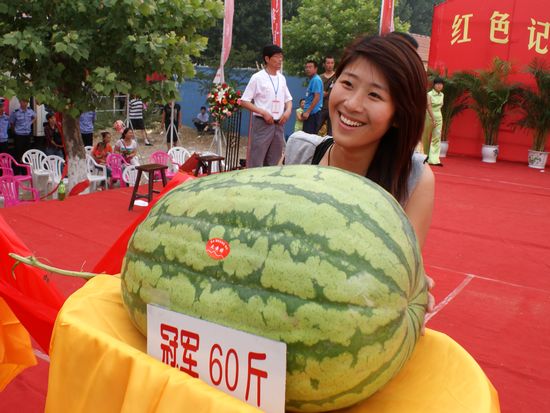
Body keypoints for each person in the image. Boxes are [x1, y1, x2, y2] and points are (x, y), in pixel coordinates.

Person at [286, 33, 434, 251]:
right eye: (347, 83)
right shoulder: (299, 152)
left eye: (374, 95)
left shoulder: (413, 178)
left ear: (398, 116)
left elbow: (405, 266)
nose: (352, 104)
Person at [240, 44, 293, 167]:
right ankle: (254, 178)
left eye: (281, 57)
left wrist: (288, 111)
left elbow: (288, 99)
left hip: (279, 124)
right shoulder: (257, 78)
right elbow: (244, 101)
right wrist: (263, 112)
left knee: (274, 160)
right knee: (257, 159)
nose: (280, 60)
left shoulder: (282, 78)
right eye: (276, 57)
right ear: (267, 59)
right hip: (262, 123)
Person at [422, 78, 445, 166]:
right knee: (426, 137)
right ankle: (425, 157)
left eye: (441, 84)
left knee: (437, 138)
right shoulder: (429, 94)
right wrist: (433, 118)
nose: (439, 86)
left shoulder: (442, 95)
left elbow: (440, 106)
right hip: (429, 117)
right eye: (437, 84)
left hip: (439, 117)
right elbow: (429, 107)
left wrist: (437, 118)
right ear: (434, 85)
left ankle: (434, 160)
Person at [9, 98, 36, 170]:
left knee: (26, 154)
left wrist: (30, 123)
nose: (25, 103)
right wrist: (15, 131)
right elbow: (11, 123)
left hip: (27, 136)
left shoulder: (30, 111)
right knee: (18, 154)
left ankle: (25, 171)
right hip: (19, 136)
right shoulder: (16, 112)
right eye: (23, 101)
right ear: (20, 102)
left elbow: (35, 117)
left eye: (26, 102)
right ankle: (17, 171)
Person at [302, 60, 324, 134]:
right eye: (306, 67)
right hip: (310, 114)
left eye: (310, 67)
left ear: (316, 69)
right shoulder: (312, 80)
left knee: (309, 138)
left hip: (313, 114)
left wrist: (308, 112)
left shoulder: (316, 80)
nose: (308, 69)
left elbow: (316, 97)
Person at [319, 56, 336, 136]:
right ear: (324, 64)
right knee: (314, 129)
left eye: (332, 63)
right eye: (328, 63)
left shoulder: (338, 76)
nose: (330, 65)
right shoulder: (319, 78)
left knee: (331, 134)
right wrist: (320, 94)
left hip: (333, 108)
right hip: (321, 108)